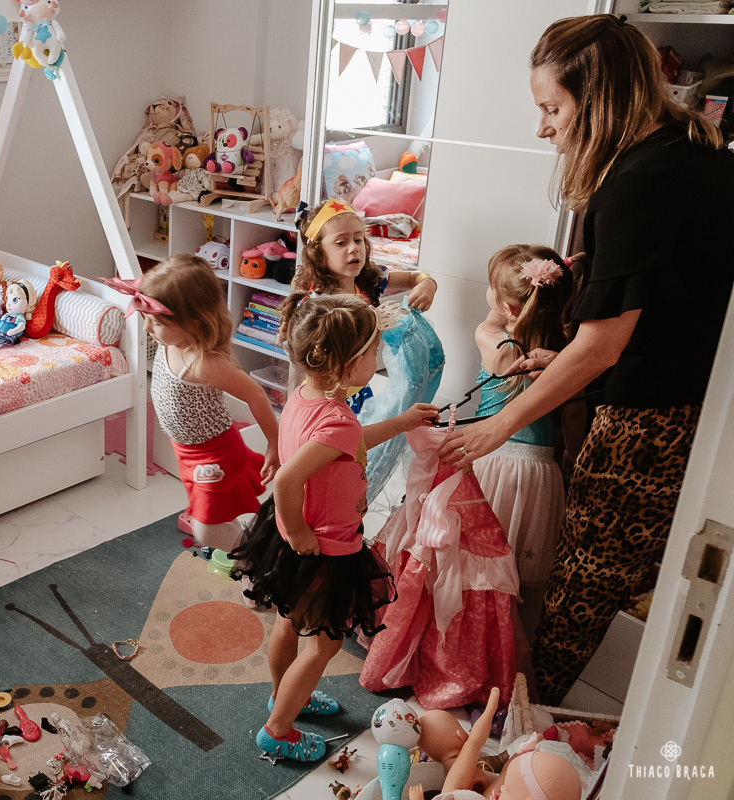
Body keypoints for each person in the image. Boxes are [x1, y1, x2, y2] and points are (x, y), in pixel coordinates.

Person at [440, 14, 734, 705]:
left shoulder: (638, 182)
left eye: (552, 108)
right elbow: (667, 302)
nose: (543, 127)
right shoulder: (697, 156)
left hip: (647, 423)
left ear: (597, 97)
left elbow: (603, 346)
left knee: (579, 591)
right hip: (694, 410)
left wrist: (496, 426)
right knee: (636, 568)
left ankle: (525, 732)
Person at [234, 292, 438, 761]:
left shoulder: (307, 398)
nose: (377, 359)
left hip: (294, 544)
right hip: (322, 547)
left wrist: (402, 421)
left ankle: (284, 694)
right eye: (371, 352)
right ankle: (278, 730)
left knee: (290, 621)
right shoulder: (336, 420)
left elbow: (343, 445)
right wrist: (303, 534)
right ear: (345, 364)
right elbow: (287, 478)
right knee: (322, 647)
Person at [106, 255, 280, 552]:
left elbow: (256, 395)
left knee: (206, 531)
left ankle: (252, 558)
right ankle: (239, 539)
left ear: (192, 323)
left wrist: (275, 444)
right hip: (186, 450)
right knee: (215, 519)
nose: (147, 328)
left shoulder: (203, 363)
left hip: (213, 455)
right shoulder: (169, 340)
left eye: (155, 321)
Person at [471, 245, 576, 622]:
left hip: (489, 462)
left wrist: (503, 301)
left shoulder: (493, 341)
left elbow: (492, 320)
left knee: (478, 571)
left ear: (507, 308)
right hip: (538, 474)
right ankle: (517, 656)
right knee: (524, 581)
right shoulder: (568, 354)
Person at [295, 197, 438, 310]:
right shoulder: (316, 304)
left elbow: (411, 278)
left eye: (358, 239)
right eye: (341, 243)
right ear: (317, 253)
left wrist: (427, 283)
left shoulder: (369, 279)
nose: (354, 248)